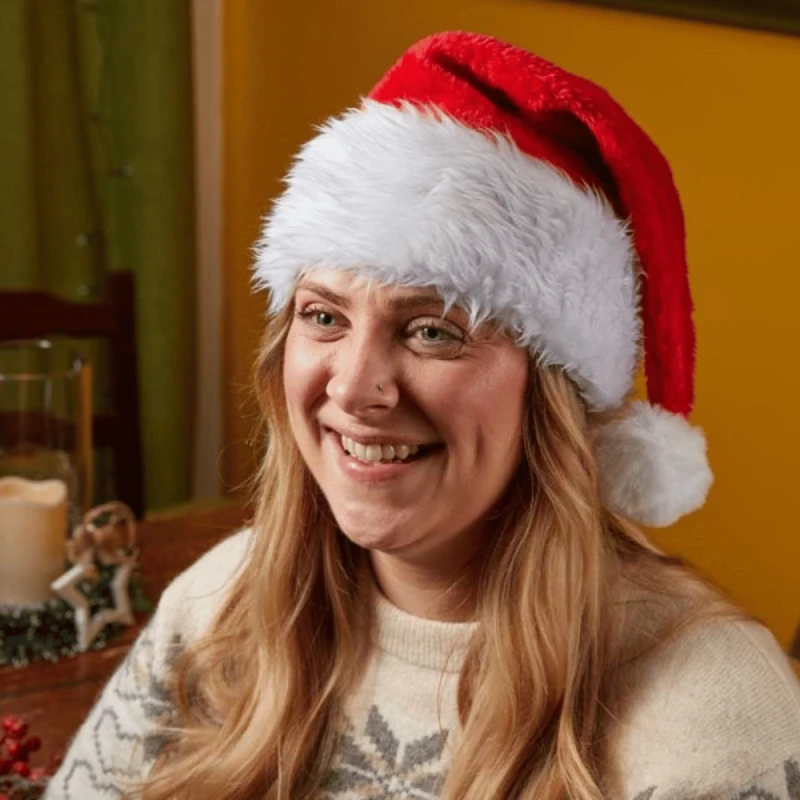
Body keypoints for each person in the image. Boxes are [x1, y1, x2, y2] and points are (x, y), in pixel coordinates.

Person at [44, 31, 800, 800]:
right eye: (324, 317)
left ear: (554, 398)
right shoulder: (219, 602)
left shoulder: (714, 710)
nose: (355, 388)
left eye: (432, 330)